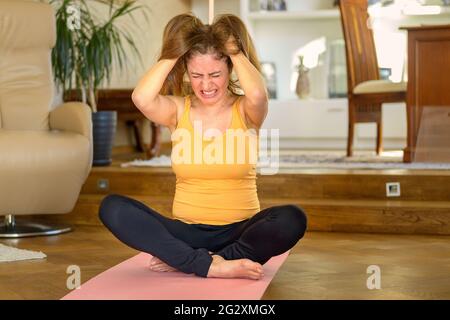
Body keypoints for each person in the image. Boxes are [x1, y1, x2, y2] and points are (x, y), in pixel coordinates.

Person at [99, 13, 307, 280]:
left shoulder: (246, 110)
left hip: (241, 231)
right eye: (196, 75)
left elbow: (257, 93)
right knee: (113, 208)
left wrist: (233, 49)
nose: (206, 85)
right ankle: (208, 263)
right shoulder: (176, 109)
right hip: (187, 233)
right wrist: (176, 49)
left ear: (230, 69)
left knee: (292, 219)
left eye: (215, 74)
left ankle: (194, 260)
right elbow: (141, 97)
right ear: (186, 70)